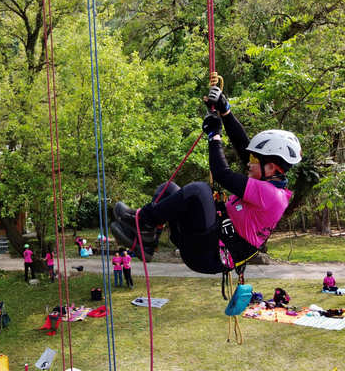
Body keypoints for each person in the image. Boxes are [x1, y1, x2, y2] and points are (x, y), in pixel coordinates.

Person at [111, 85, 302, 275]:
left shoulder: (272, 196)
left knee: (199, 191)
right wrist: (225, 111)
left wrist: (214, 135)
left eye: (254, 160)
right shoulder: (268, 181)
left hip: (209, 256)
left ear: (272, 168)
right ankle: (147, 239)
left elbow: (221, 173)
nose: (248, 163)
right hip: (205, 244)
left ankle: (142, 220)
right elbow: (244, 147)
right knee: (167, 190)